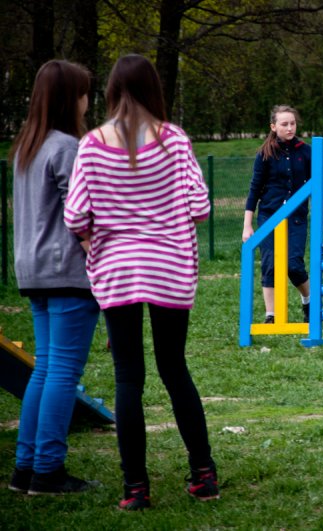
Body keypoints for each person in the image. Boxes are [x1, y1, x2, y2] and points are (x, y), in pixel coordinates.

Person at [64, 54, 218, 510]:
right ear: (155, 89)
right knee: (174, 368)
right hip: (169, 267)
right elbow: (200, 206)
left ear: (111, 91)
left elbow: (75, 215)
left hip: (116, 271)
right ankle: (204, 476)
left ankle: (135, 488)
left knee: (128, 377)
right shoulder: (174, 141)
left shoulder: (92, 144)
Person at [7, 60, 100, 496]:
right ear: (69, 99)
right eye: (84, 93)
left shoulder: (28, 145)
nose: (87, 102)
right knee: (63, 372)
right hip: (66, 272)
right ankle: (47, 470)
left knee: (45, 369)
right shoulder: (67, 147)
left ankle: (26, 468)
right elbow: (83, 215)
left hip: (33, 271)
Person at [242, 105, 323, 324]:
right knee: (270, 264)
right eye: (284, 124)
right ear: (273, 127)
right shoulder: (265, 154)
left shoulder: (306, 151)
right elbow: (255, 189)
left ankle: (308, 302)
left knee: (294, 265)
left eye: (292, 123)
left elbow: (316, 188)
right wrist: (247, 224)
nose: (290, 127)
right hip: (269, 216)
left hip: (296, 217)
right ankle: (271, 315)